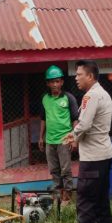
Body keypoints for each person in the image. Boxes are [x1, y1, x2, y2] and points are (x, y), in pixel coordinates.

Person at [63, 60, 112, 223]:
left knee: (85, 197)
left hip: (93, 157)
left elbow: (84, 124)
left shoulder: (91, 96)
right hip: (105, 154)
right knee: (100, 195)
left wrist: (73, 136)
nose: (76, 78)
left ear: (90, 76)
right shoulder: (104, 94)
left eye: (79, 74)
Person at [39, 65, 79, 205]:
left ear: (62, 82)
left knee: (65, 170)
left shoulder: (69, 98)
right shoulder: (45, 99)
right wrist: (41, 137)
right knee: (54, 170)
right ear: (48, 83)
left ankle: (67, 196)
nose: (55, 84)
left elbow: (75, 119)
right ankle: (57, 194)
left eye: (57, 81)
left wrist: (73, 138)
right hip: (50, 141)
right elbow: (43, 119)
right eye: (52, 82)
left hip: (64, 140)